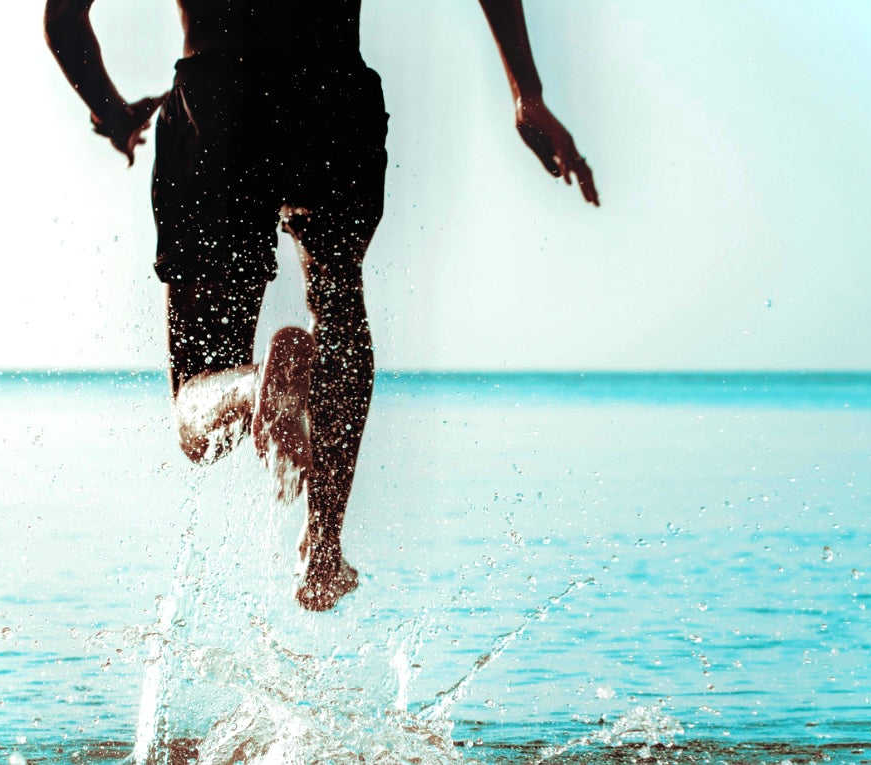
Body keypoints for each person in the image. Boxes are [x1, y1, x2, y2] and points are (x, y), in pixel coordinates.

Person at [44, 0, 599, 611]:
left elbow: (65, 15)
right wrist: (527, 94)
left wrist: (112, 111)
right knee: (338, 300)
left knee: (197, 412)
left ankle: (255, 389)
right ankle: (324, 544)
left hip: (218, 96)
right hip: (334, 95)